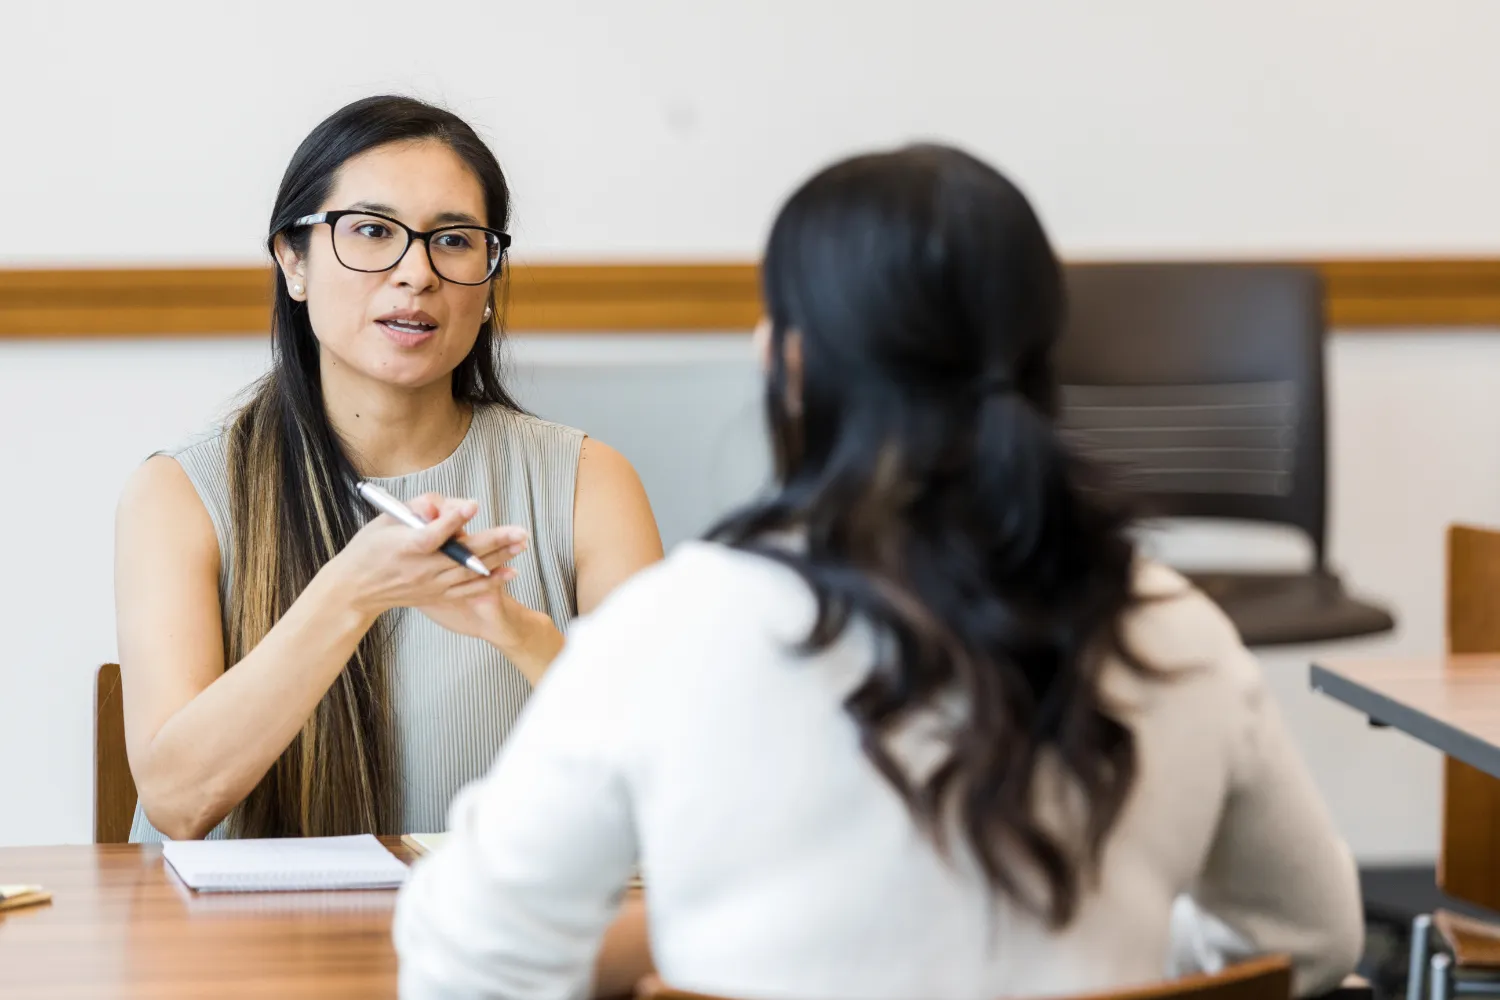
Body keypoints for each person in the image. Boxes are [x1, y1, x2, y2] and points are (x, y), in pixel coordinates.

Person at [393, 143, 1363, 1000]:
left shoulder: (677, 627)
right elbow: (1308, 943)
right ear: (1043, 363)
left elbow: (465, 964)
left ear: (788, 362)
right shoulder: (1173, 626)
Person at [114, 95, 663, 848]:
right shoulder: (178, 493)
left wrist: (518, 632)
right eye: (372, 232)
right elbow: (179, 802)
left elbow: (672, 774)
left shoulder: (590, 481)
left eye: (455, 241)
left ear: (489, 278)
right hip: (240, 954)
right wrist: (355, 587)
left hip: (496, 942)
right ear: (293, 261)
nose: (417, 273)